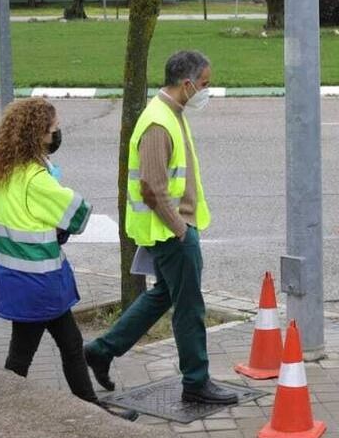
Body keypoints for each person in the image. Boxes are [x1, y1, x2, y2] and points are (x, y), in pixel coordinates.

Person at [84, 50, 237, 406]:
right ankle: (196, 381)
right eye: (204, 84)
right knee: (189, 307)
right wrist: (181, 230)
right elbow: (152, 187)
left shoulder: (172, 113)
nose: (207, 91)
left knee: (163, 295)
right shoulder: (158, 122)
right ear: (186, 85)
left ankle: (102, 350)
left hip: (170, 229)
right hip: (170, 231)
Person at [0, 98, 136, 420]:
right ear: (38, 134)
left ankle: (89, 407)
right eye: (54, 129)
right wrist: (52, 184)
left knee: (66, 342)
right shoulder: (36, 181)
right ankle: (4, 413)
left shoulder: (5, 168)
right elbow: (78, 212)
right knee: (24, 354)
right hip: (39, 280)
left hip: (17, 277)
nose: (57, 134)